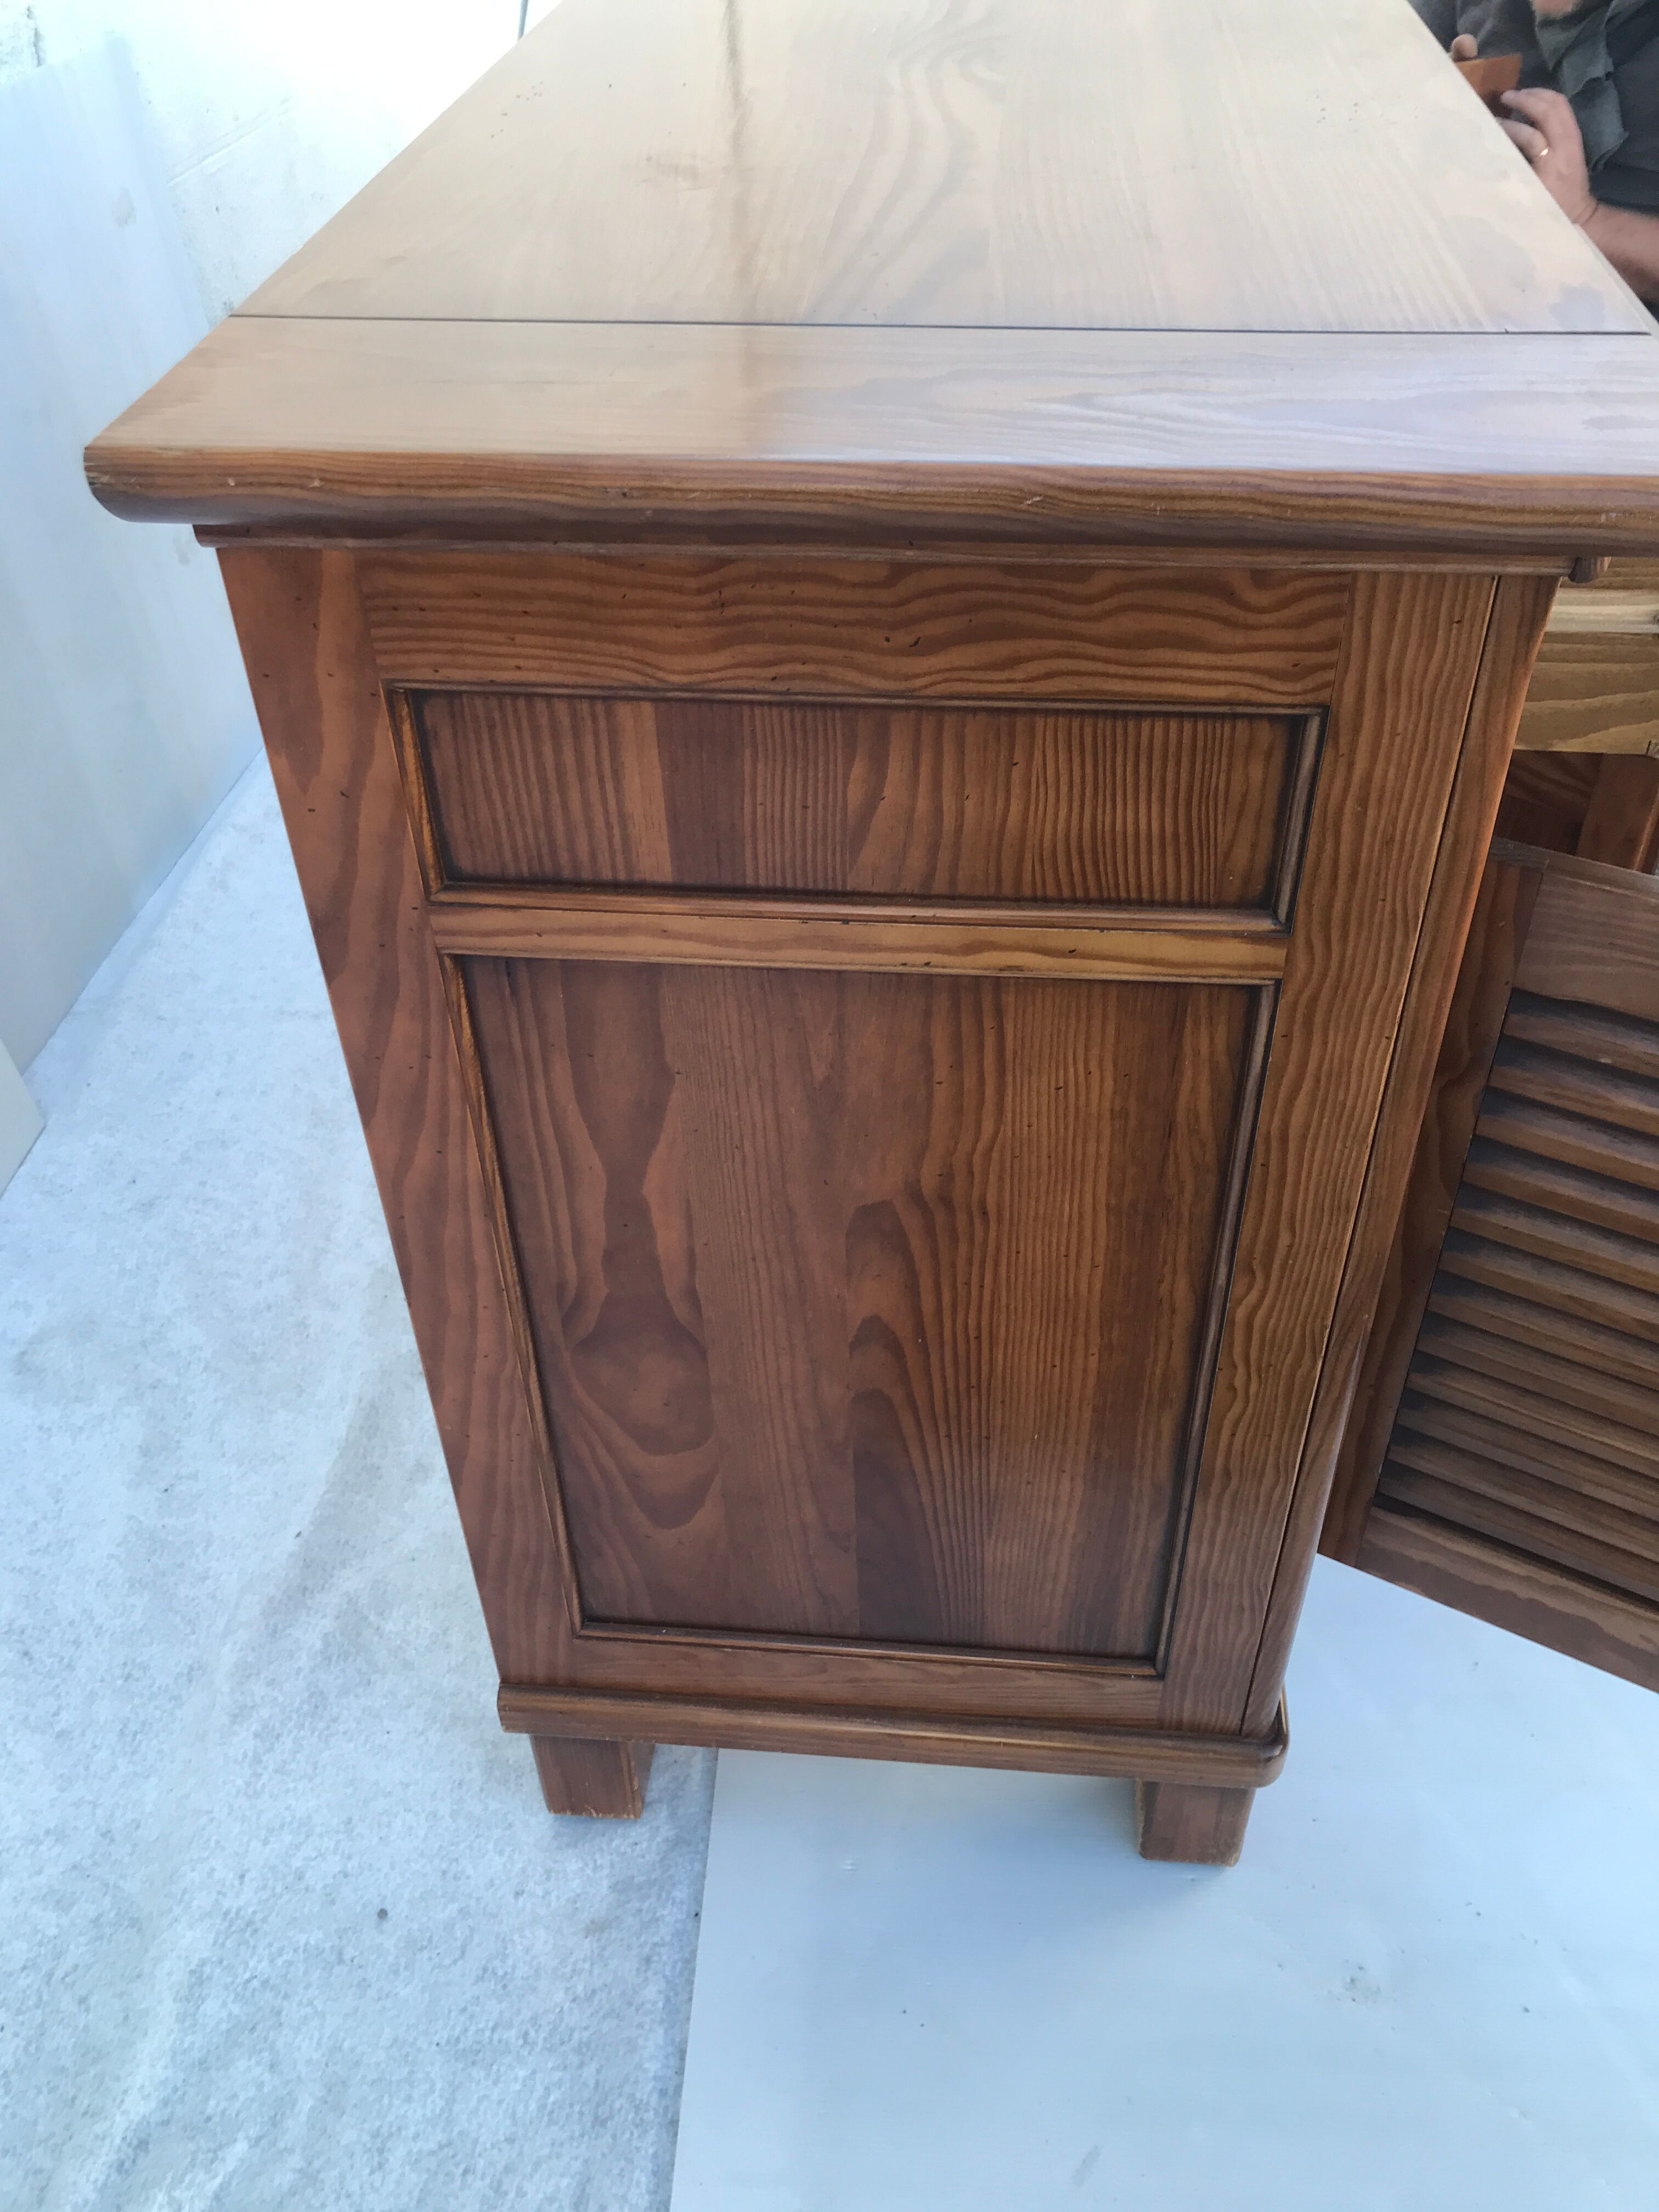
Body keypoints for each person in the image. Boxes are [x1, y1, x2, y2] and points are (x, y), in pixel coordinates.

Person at [1414, 0, 1659, 303]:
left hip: (1602, 322)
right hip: (1435, 259)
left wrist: (1585, 218)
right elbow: (1381, 63)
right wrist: (1421, 94)